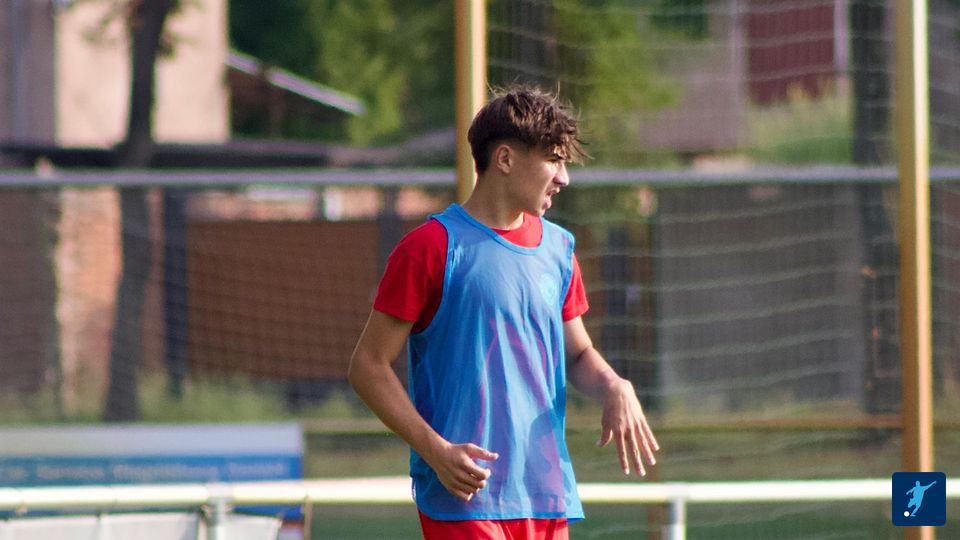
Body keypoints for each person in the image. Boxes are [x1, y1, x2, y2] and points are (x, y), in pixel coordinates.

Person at [348, 86, 659, 540]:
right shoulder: (430, 248)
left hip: (545, 495)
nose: (564, 178)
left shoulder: (559, 250)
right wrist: (435, 451)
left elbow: (576, 354)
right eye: (553, 159)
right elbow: (368, 365)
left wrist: (614, 384)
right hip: (464, 498)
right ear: (506, 159)